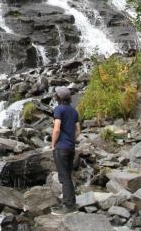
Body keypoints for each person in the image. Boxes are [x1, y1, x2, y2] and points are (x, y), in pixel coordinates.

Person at [51, 86, 81, 214]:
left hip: (61, 148)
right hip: (70, 147)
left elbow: (56, 129)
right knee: (67, 176)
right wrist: (71, 140)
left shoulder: (58, 109)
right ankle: (71, 203)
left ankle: (68, 206)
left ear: (58, 97)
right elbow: (78, 130)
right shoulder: (74, 111)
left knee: (64, 177)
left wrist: (53, 144)